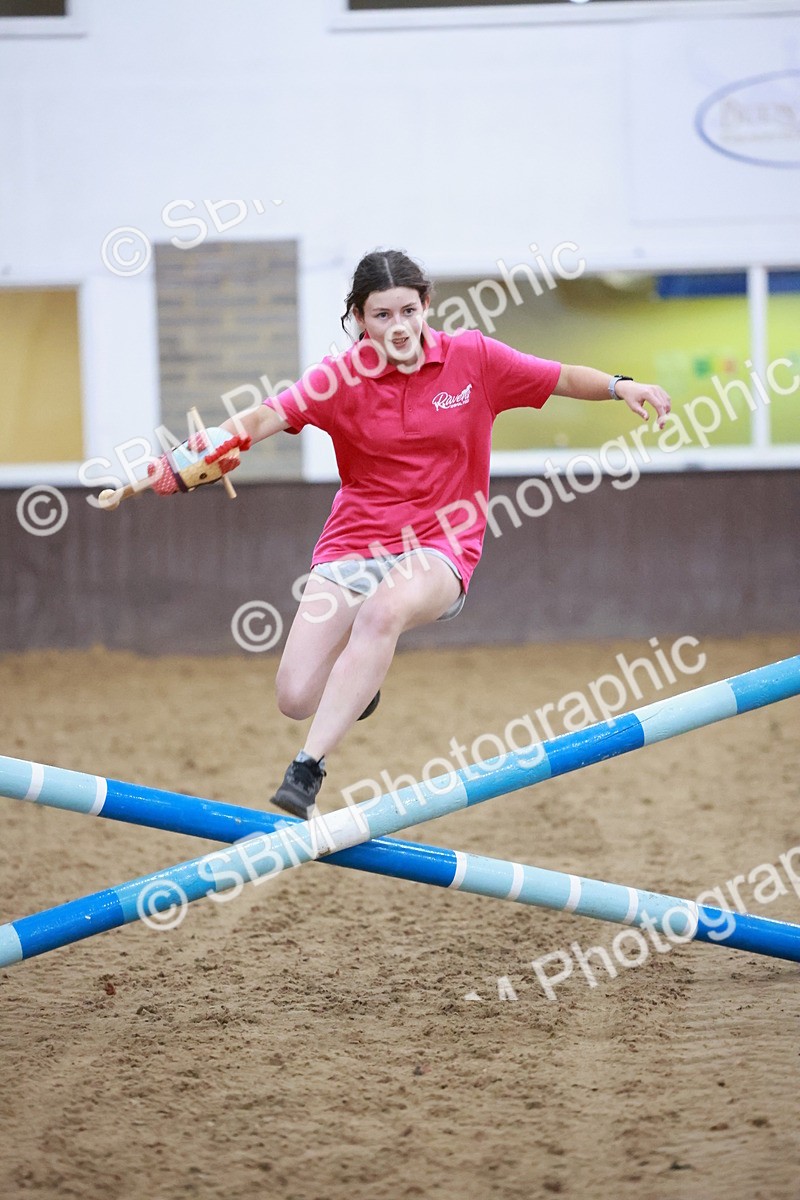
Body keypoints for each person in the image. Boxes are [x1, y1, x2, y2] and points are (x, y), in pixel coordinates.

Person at [152, 249, 671, 820]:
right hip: (354, 542)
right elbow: (263, 418)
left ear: (426, 306)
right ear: (358, 318)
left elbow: (562, 377)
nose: (397, 327)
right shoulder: (338, 378)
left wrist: (622, 386)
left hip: (442, 543)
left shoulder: (472, 357)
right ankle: (360, 685)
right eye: (381, 316)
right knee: (295, 696)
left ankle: (308, 769)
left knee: (382, 613)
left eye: (407, 311)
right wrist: (193, 455)